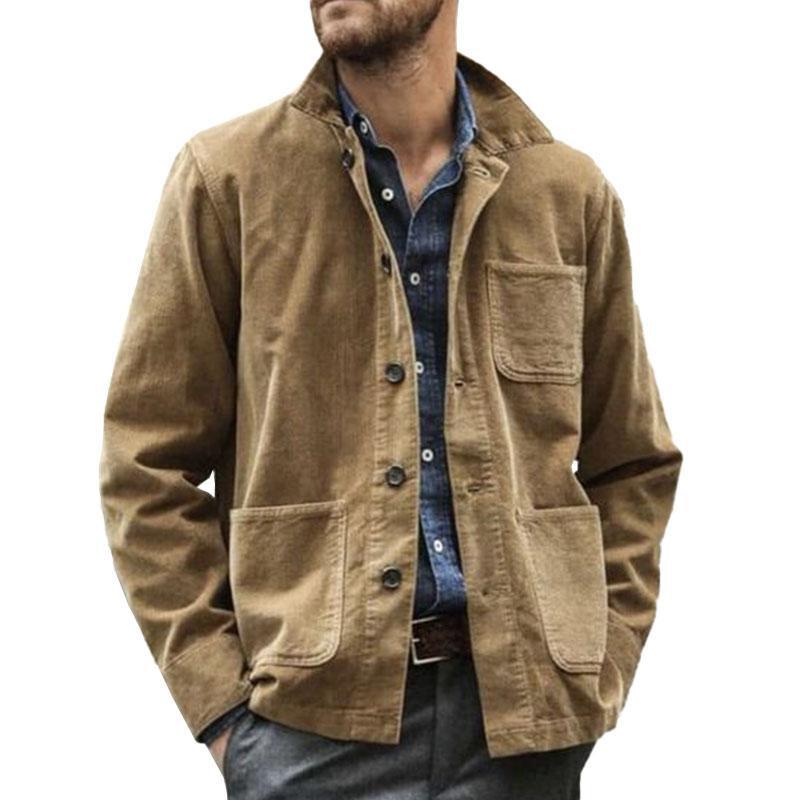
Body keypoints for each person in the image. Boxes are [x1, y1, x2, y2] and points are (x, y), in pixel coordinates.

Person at [98, 1, 683, 797]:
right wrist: (226, 714)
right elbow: (144, 464)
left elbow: (634, 462)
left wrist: (598, 665)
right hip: (309, 731)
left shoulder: (567, 193)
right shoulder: (227, 179)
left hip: (523, 737)